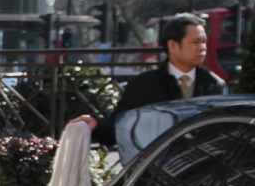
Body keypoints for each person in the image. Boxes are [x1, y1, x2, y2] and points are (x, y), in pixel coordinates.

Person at [72, 13, 224, 146]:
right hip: (155, 170)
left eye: (204, 42)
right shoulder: (143, 86)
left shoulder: (213, 85)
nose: (202, 48)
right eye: (195, 42)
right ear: (173, 45)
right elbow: (119, 129)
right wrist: (96, 124)